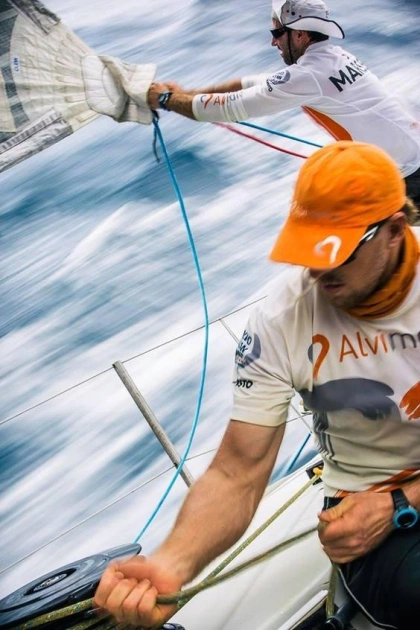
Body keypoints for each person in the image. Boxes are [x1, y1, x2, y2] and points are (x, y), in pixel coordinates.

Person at [94, 140, 420, 630]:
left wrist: (400, 503)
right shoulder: (281, 319)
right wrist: (172, 566)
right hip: (361, 514)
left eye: (336, 252)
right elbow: (238, 471)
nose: (318, 270)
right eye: (309, 249)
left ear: (393, 231)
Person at [147, 0, 420, 207]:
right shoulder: (334, 57)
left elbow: (225, 108)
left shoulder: (308, 75)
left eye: (277, 32)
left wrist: (165, 99)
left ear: (299, 34)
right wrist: (188, 93)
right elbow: (250, 83)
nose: (272, 41)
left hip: (408, 178)